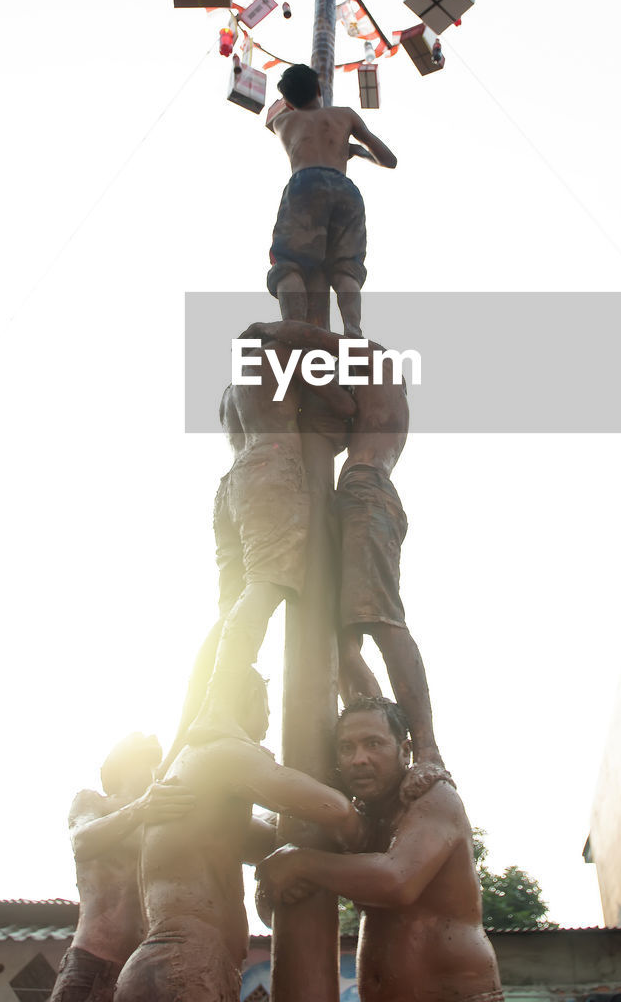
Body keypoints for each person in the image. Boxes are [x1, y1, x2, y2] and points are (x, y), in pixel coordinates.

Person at [242, 318, 443, 773]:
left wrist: (274, 330)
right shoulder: (377, 391)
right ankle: (374, 738)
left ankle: (425, 747)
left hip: (365, 492)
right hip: (355, 493)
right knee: (345, 646)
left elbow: (318, 346)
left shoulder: (376, 364)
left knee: (381, 617)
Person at [114, 668, 366, 1002]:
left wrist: (294, 859)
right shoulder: (227, 751)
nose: (266, 723)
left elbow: (265, 842)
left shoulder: (199, 783)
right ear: (247, 699)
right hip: (188, 966)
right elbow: (334, 808)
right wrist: (365, 832)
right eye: (266, 709)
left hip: (164, 965)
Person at [174, 331, 355, 752]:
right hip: (273, 470)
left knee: (229, 611)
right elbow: (344, 410)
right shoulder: (278, 356)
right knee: (265, 585)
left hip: (232, 484)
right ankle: (217, 709)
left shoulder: (231, 389)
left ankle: (198, 719)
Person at [257, 697, 502, 1002]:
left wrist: (299, 862)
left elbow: (397, 881)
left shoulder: (433, 798)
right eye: (347, 748)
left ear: (404, 751)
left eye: (373, 744)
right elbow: (271, 877)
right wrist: (272, 877)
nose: (358, 759)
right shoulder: (358, 819)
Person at [49, 733, 194, 1002]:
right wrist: (140, 807)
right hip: (93, 958)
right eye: (143, 760)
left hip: (141, 970)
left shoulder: (161, 821)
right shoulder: (95, 802)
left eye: (154, 762)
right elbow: (82, 841)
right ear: (121, 765)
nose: (151, 770)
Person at [266, 63, 397, 337]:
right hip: (344, 189)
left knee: (289, 262)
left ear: (288, 102)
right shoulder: (345, 116)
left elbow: (275, 113)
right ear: (318, 88)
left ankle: (294, 329)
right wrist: (355, 151)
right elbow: (389, 160)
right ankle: (353, 330)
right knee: (346, 266)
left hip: (304, 185)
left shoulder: (283, 122)